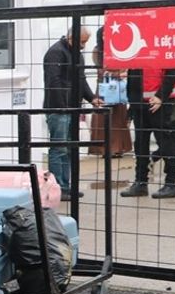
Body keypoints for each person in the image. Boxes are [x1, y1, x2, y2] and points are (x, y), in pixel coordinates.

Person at [42, 27, 102, 200]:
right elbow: (54, 82)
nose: (84, 46)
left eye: (85, 42)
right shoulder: (55, 53)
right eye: (82, 41)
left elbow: (81, 79)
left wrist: (91, 98)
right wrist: (62, 106)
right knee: (59, 148)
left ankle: (66, 187)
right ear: (71, 37)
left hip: (72, 107)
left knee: (68, 149)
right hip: (59, 108)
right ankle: (58, 187)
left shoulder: (76, 54)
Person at [121, 67, 175, 199]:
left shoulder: (163, 47)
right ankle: (140, 182)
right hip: (139, 102)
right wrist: (132, 104)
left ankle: (171, 183)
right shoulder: (138, 50)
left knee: (165, 142)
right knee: (140, 144)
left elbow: (174, 71)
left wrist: (160, 96)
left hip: (160, 102)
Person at [88, 25, 133, 158]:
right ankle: (103, 148)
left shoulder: (119, 49)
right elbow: (101, 69)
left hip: (118, 88)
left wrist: (121, 72)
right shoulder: (98, 51)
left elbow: (126, 66)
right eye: (103, 35)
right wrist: (117, 73)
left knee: (118, 117)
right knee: (103, 118)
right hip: (104, 87)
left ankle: (118, 147)